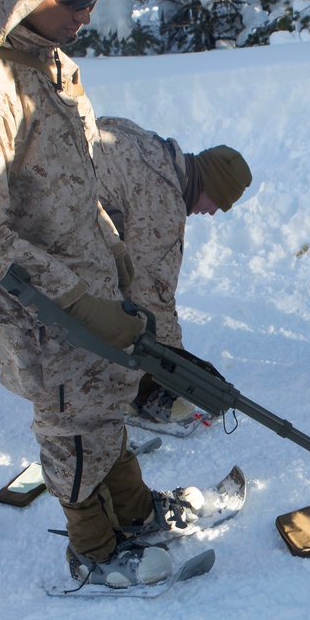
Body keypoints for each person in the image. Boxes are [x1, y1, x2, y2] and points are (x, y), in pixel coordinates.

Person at [0, 0, 207, 590]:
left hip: (90, 287)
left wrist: (117, 266)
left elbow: (79, 186)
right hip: (38, 303)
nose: (84, 12)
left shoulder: (52, 66)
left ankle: (133, 512)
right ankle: (93, 549)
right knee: (69, 423)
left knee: (103, 404)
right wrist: (74, 296)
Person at [95, 116, 252, 429]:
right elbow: (154, 300)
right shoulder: (163, 202)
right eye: (218, 201)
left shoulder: (152, 146)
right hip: (57, 226)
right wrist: (177, 373)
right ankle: (117, 395)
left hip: (50, 186)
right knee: (119, 303)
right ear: (207, 184)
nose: (213, 212)